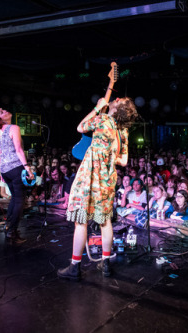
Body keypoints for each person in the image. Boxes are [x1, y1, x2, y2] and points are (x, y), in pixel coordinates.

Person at [57, 96, 138, 280]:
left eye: (119, 100)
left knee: (81, 220)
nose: (116, 98)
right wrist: (109, 158)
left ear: (117, 109)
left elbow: (80, 127)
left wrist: (97, 107)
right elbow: (124, 161)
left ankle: (75, 267)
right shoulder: (123, 131)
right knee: (105, 221)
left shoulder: (102, 119)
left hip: (90, 176)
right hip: (108, 178)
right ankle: (106, 264)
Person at [0, 106, 34, 243]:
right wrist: (27, 168)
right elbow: (18, 150)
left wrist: (2, 172)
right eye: (1, 112)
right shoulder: (14, 128)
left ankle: (9, 228)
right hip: (16, 168)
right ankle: (12, 231)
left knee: (14, 199)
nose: (5, 110)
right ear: (0, 118)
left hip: (6, 170)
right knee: (20, 200)